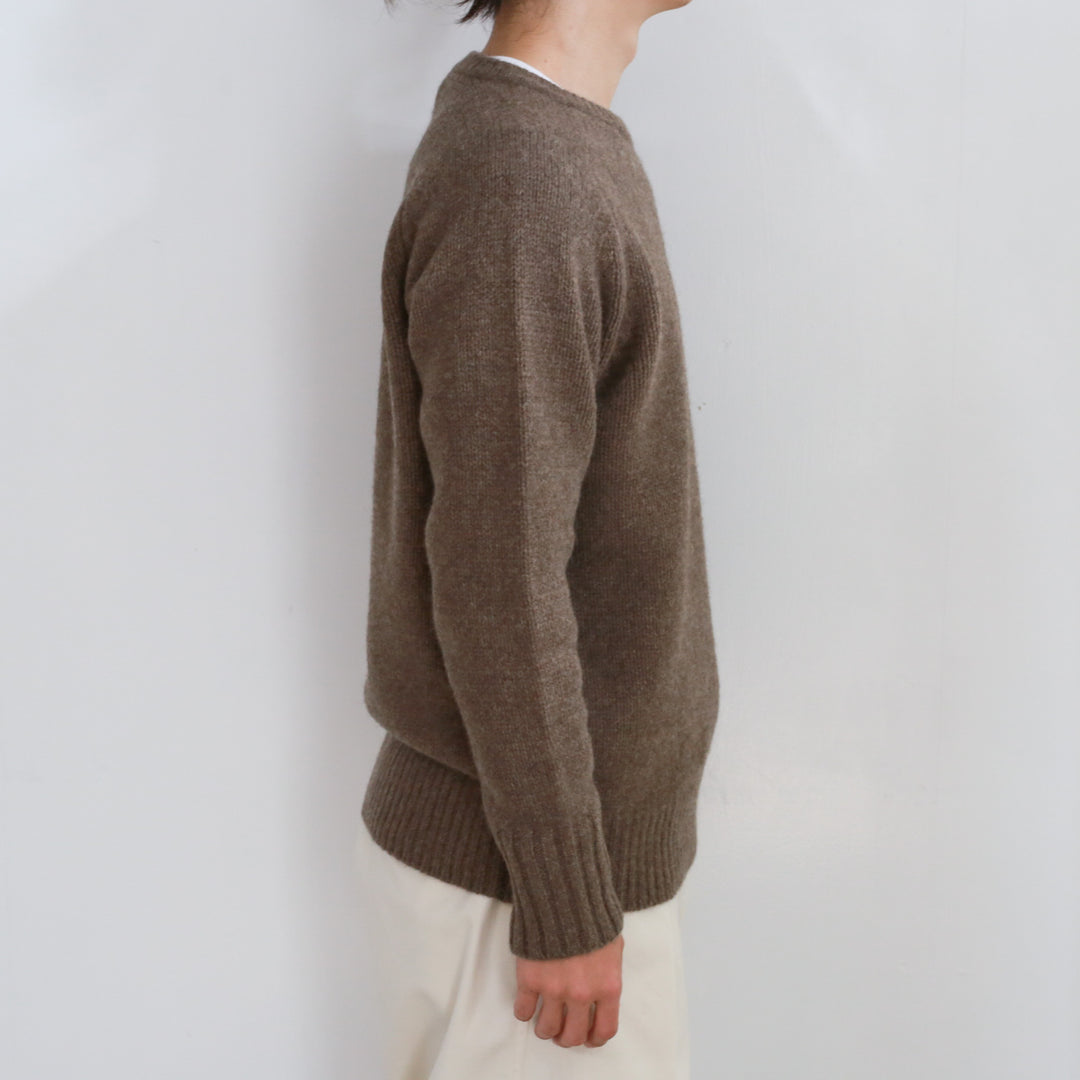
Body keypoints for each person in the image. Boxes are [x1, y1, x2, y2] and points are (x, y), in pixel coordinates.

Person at [355, 0, 719, 1075]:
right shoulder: (522, 175)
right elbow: (498, 580)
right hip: (524, 897)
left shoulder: (558, 146)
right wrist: (564, 898)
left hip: (545, 872)